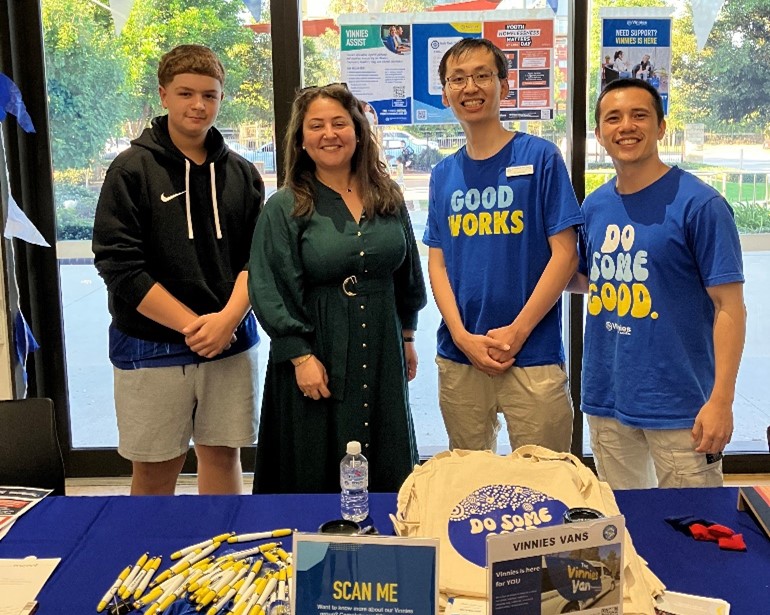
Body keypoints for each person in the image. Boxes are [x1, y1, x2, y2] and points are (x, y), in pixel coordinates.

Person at [92, 44, 264, 496]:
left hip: (229, 341)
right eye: (186, 93)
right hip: (150, 346)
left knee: (223, 456)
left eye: (209, 95)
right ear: (164, 95)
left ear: (222, 98)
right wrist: (194, 327)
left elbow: (257, 259)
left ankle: (221, 540)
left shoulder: (243, 174)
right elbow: (119, 265)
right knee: (155, 469)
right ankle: (151, 542)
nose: (198, 105)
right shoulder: (130, 170)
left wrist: (227, 322)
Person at [248, 83, 427, 494]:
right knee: (313, 457)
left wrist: (407, 336)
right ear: (301, 139)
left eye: (339, 123)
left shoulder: (388, 197)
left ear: (358, 132)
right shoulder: (285, 205)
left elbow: (407, 273)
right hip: (316, 348)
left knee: (384, 450)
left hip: (382, 343)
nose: (329, 134)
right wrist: (299, 355)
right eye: (316, 126)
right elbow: (268, 285)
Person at [568, 78, 746, 489]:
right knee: (627, 517)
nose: (626, 126)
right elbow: (589, 279)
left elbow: (730, 306)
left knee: (691, 521)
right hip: (608, 396)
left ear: (661, 127)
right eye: (613, 118)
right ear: (599, 134)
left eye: (639, 115)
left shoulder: (701, 204)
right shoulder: (594, 206)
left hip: (681, 403)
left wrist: (721, 400)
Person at [423, 38, 582, 454]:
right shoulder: (443, 174)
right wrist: (461, 336)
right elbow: (438, 263)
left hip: (533, 354)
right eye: (457, 79)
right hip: (460, 356)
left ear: (504, 87)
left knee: (545, 479)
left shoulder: (541, 157)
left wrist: (518, 331)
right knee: (470, 479)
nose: (470, 87)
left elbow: (566, 254)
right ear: (445, 94)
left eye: (482, 75)